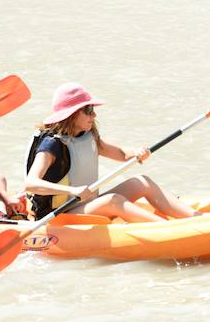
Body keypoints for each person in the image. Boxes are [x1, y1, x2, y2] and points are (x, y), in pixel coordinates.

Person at [25, 82, 199, 222]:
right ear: (71, 115)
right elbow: (31, 183)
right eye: (88, 110)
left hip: (86, 204)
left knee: (142, 182)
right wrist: (73, 190)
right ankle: (167, 229)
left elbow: (122, 154)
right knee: (112, 201)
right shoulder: (51, 146)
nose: (93, 115)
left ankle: (198, 218)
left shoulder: (86, 135)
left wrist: (137, 152)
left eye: (93, 109)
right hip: (58, 216)